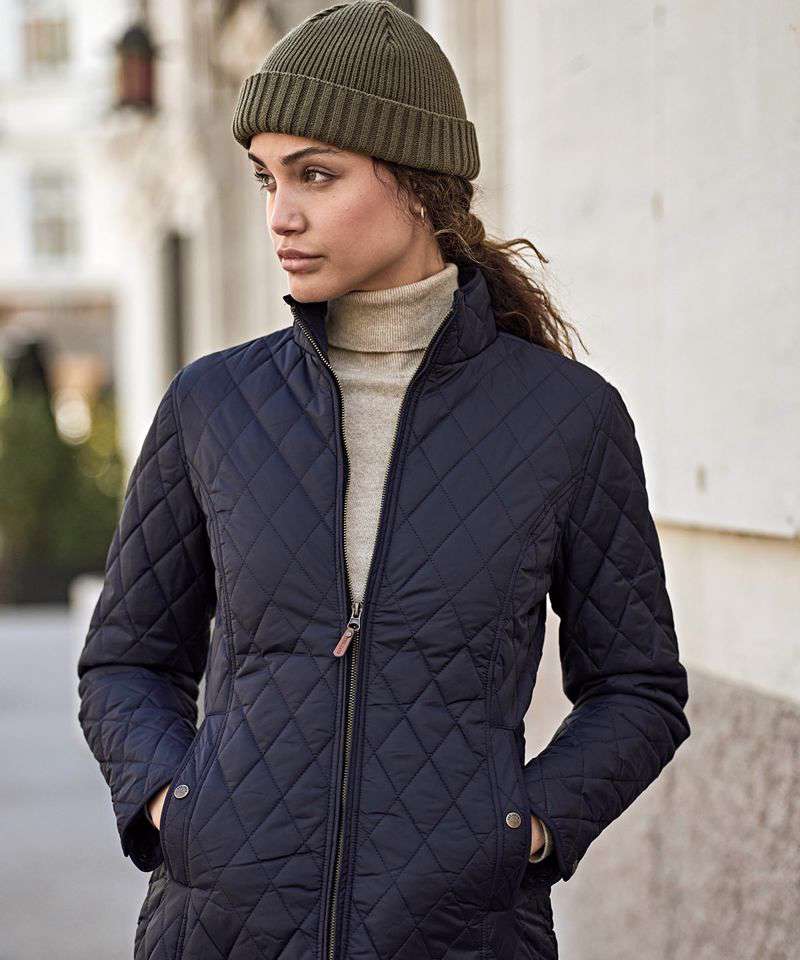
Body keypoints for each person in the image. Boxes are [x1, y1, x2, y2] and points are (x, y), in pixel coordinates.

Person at [76, 3, 691, 959]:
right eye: (267, 178)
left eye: (316, 175)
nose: (281, 214)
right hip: (221, 930)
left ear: (418, 183)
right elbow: (126, 660)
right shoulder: (213, 404)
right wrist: (174, 805)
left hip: (461, 934)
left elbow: (638, 686)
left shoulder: (568, 418)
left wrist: (524, 832)